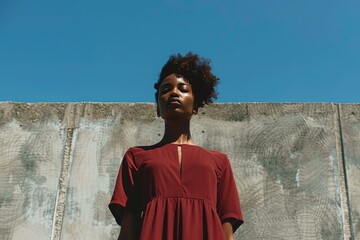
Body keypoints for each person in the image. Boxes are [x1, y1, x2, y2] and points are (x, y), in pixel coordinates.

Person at [109, 52, 243, 240]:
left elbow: (226, 230)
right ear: (157, 107)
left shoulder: (219, 162)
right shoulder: (136, 157)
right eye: (165, 89)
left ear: (195, 105)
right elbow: (128, 227)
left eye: (183, 89)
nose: (173, 92)